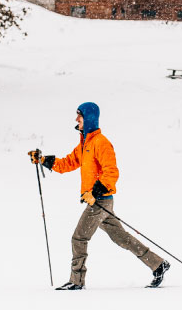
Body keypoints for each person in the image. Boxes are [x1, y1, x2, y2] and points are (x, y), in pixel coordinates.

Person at [29, 101, 170, 290]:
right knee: (121, 238)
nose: (76, 119)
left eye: (79, 115)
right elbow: (67, 163)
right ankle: (157, 264)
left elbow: (111, 172)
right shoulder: (85, 144)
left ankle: (76, 281)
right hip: (100, 201)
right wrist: (44, 160)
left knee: (79, 238)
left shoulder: (101, 143)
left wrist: (94, 192)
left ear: (89, 118)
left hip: (100, 201)